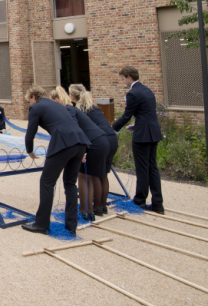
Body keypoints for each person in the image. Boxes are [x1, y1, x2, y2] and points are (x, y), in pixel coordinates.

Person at [21, 85, 90, 235]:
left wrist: (30, 150)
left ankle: (41, 224)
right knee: (70, 183)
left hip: (63, 143)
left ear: (33, 97)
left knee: (47, 182)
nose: (30, 104)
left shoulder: (36, 108)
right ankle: (71, 224)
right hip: (80, 142)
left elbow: (30, 133)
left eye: (29, 100)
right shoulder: (57, 104)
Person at [50, 86, 109, 221]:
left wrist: (83, 151)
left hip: (94, 143)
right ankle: (97, 208)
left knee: (83, 177)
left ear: (57, 100)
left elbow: (75, 129)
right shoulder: (74, 108)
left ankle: (85, 211)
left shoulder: (68, 110)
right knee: (95, 176)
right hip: (102, 140)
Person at [112, 66, 164, 213]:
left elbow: (126, 116)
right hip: (153, 132)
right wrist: (137, 124)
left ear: (129, 77)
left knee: (142, 168)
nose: (123, 82)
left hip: (143, 136)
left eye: (123, 78)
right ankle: (158, 204)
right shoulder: (147, 90)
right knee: (152, 167)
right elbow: (147, 113)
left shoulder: (133, 93)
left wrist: (111, 129)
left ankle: (140, 201)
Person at [70, 84, 118, 215]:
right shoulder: (93, 107)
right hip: (111, 138)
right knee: (102, 174)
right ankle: (102, 205)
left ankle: (94, 207)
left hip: (98, 139)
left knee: (92, 175)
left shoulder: (81, 110)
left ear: (73, 96)